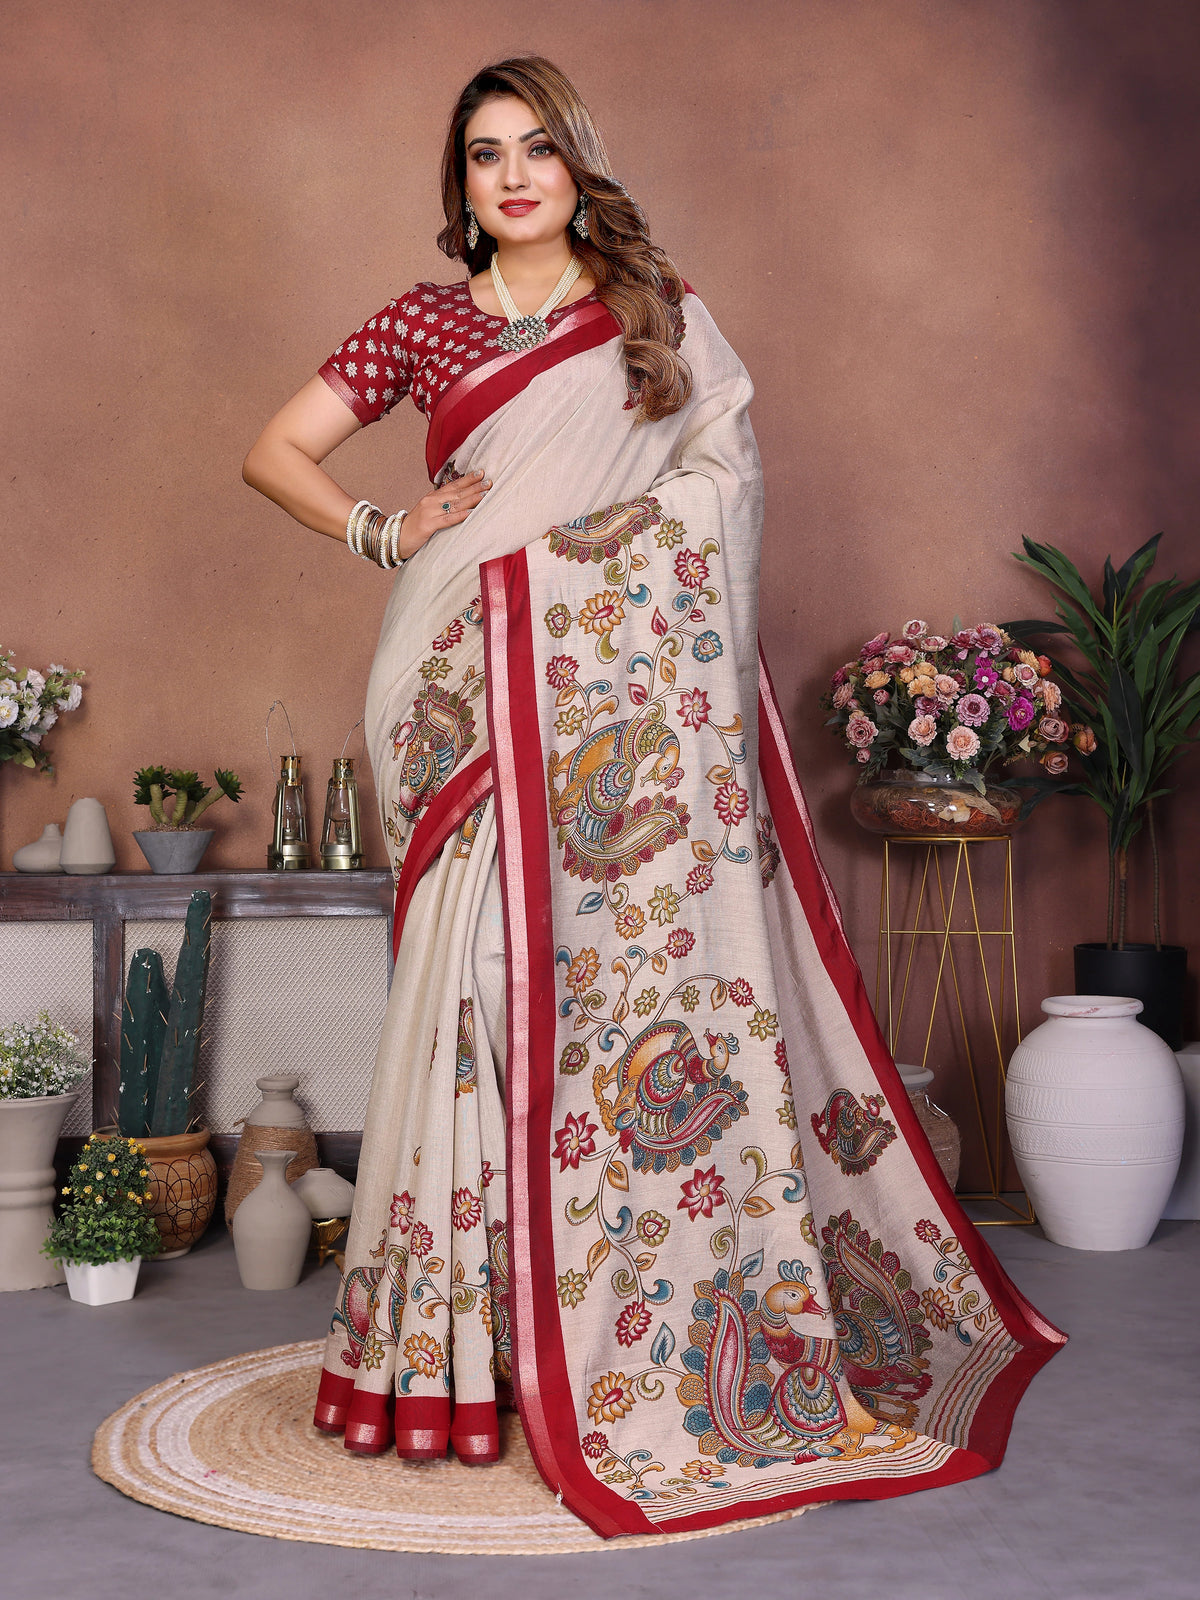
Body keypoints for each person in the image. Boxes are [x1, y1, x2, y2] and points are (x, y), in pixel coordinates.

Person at [244, 56, 1064, 1541]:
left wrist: (570, 572)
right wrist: (384, 530)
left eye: (537, 149)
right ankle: (459, 1344)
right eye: (485, 154)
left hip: (608, 711)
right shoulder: (422, 322)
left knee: (578, 995)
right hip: (453, 681)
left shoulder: (651, 310)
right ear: (461, 183)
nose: (513, 177)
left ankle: (588, 1319)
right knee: (476, 990)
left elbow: (721, 479)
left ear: (577, 165)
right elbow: (274, 451)